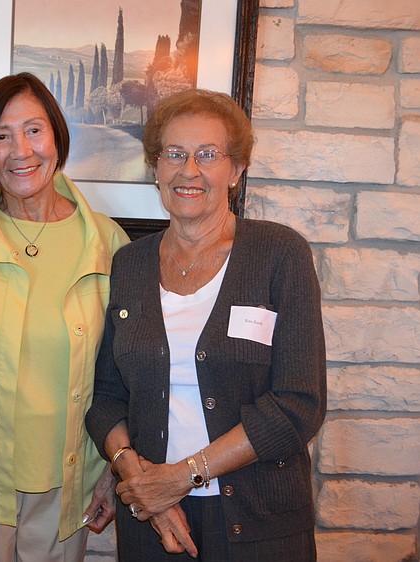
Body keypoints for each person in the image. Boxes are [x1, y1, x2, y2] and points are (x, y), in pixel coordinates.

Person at [85, 88, 327, 561]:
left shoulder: (280, 255)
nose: (188, 170)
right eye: (174, 154)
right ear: (155, 168)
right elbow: (108, 398)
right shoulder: (130, 264)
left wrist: (182, 477)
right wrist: (139, 483)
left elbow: (299, 404)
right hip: (152, 524)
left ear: (236, 170)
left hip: (259, 523)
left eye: (207, 154)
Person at [0, 72, 129, 562]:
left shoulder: (109, 245)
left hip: (70, 484)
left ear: (57, 137)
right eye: (2, 135)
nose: (20, 149)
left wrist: (114, 468)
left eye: (33, 130)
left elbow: (127, 373)